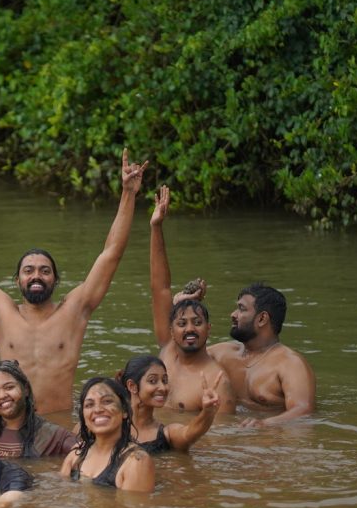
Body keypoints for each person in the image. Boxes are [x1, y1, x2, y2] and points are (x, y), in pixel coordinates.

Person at [0, 150, 148, 413]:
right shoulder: (0, 311)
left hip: (60, 427)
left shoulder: (75, 310)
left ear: (56, 279)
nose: (36, 275)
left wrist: (128, 193)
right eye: (29, 270)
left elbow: (111, 254)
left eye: (44, 271)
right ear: (17, 280)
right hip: (13, 427)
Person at [149, 185, 236, 413]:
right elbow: (160, 288)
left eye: (197, 323)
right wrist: (156, 227)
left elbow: (221, 443)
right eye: (182, 323)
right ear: (171, 330)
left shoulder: (217, 381)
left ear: (209, 329)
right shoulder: (167, 351)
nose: (190, 329)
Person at [208, 283, 317, 426]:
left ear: (262, 319)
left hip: (268, 441)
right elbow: (177, 357)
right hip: (229, 435)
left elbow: (303, 410)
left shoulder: (291, 364)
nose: (233, 314)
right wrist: (180, 304)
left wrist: (265, 424)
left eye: (241, 309)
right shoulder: (221, 353)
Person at [60, 377, 155, 491]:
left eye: (107, 401)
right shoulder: (76, 453)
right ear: (83, 417)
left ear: (124, 411)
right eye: (89, 405)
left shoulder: (137, 461)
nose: (98, 410)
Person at [119, 355, 221, 454]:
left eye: (165, 380)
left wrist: (207, 411)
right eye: (153, 381)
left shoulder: (167, 434)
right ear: (132, 386)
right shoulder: (114, 427)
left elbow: (189, 433)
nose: (163, 388)